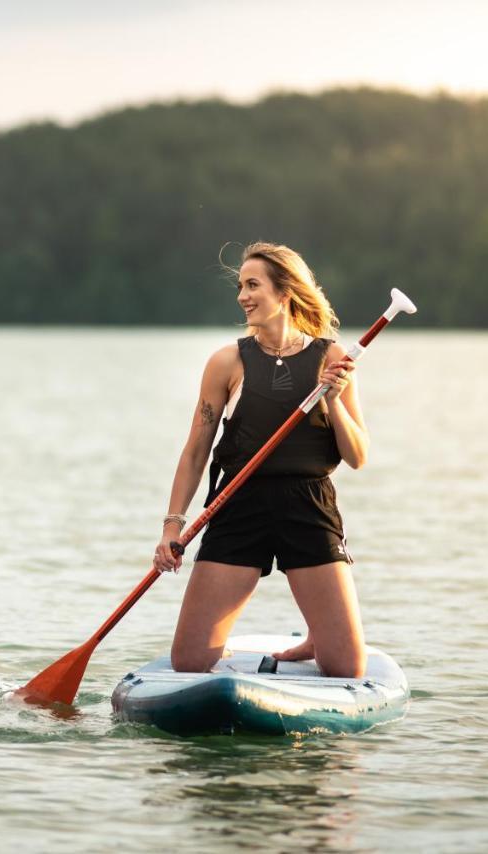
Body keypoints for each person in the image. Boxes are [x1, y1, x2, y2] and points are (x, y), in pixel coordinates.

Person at [152, 242, 369, 678]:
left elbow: (357, 456)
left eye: (253, 285)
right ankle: (315, 630)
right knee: (190, 662)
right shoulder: (227, 362)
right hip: (238, 503)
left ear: (285, 292)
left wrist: (332, 401)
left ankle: (317, 638)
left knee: (345, 668)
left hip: (308, 507)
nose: (242, 296)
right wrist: (172, 527)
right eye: (240, 286)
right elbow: (196, 450)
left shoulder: (332, 359)